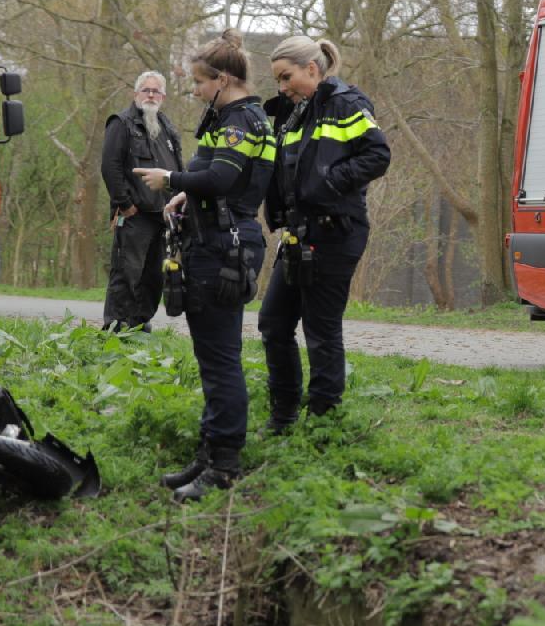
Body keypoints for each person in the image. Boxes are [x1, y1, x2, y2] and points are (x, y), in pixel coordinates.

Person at [132, 32, 275, 498]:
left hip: (224, 247)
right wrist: (185, 192)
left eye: (198, 81)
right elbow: (214, 182)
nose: (192, 90)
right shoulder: (228, 116)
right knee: (211, 359)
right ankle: (208, 454)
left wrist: (170, 177)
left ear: (223, 79)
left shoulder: (243, 121)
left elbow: (222, 177)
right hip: (211, 238)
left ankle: (224, 466)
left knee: (220, 362)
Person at [258, 36, 392, 429]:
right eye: (278, 80)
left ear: (312, 69)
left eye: (287, 77)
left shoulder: (344, 104)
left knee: (320, 329)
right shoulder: (295, 112)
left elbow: (378, 155)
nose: (281, 87)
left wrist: (328, 184)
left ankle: (324, 421)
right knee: (273, 323)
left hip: (336, 232)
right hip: (299, 234)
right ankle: (283, 414)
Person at [100, 70, 183, 331]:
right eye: (145, 90)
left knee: (153, 276)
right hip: (134, 214)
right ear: (136, 94)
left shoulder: (168, 128)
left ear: (163, 96)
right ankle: (116, 325)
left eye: (155, 91)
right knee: (126, 272)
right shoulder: (121, 123)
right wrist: (124, 204)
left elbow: (178, 168)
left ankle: (140, 323)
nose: (150, 95)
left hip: (163, 215)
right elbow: (110, 167)